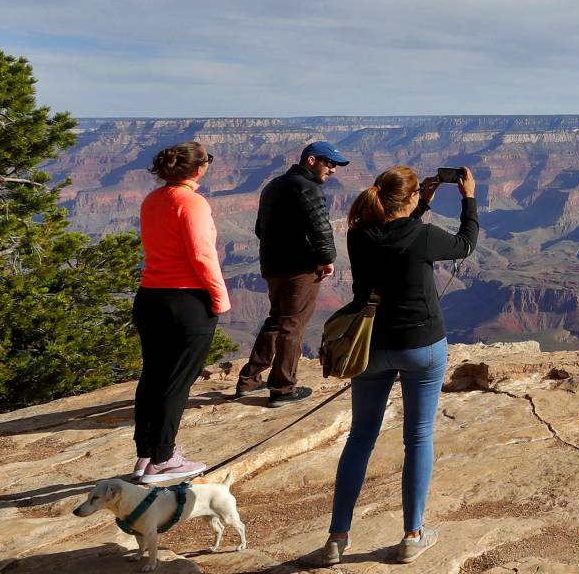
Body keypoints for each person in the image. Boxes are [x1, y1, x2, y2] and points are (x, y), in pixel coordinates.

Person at [322, 165, 478, 565]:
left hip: (370, 347)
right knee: (419, 437)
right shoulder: (423, 235)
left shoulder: (358, 235)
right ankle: (413, 535)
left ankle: (337, 539)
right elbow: (464, 245)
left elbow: (393, 236)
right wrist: (468, 198)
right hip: (421, 347)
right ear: (408, 200)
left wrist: (421, 202)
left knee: (360, 438)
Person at [132, 141, 230, 483]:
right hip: (186, 302)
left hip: (150, 298)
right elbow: (203, 255)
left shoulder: (153, 200)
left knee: (153, 377)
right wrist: (220, 298)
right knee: (177, 382)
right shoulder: (192, 203)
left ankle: (145, 455)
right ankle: (163, 459)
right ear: (198, 169)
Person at [236, 141, 349, 407]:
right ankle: (283, 390)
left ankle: (249, 380)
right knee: (292, 326)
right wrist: (326, 260)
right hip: (299, 270)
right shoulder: (308, 189)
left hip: (272, 267)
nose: (333, 170)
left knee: (277, 320)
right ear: (311, 160)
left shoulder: (273, 186)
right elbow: (321, 229)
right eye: (329, 163)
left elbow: (259, 230)